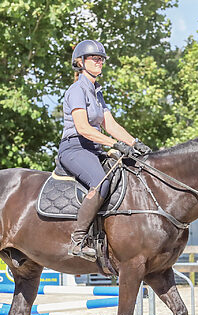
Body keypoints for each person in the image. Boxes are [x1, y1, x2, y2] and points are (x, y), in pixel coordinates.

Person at [58, 39, 151, 260]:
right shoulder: (77, 90)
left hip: (93, 148)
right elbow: (83, 128)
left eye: (101, 59)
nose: (100, 62)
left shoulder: (97, 93)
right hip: (74, 147)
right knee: (100, 181)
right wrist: (114, 144)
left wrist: (134, 143)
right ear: (80, 62)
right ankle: (78, 240)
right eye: (95, 58)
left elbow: (110, 125)